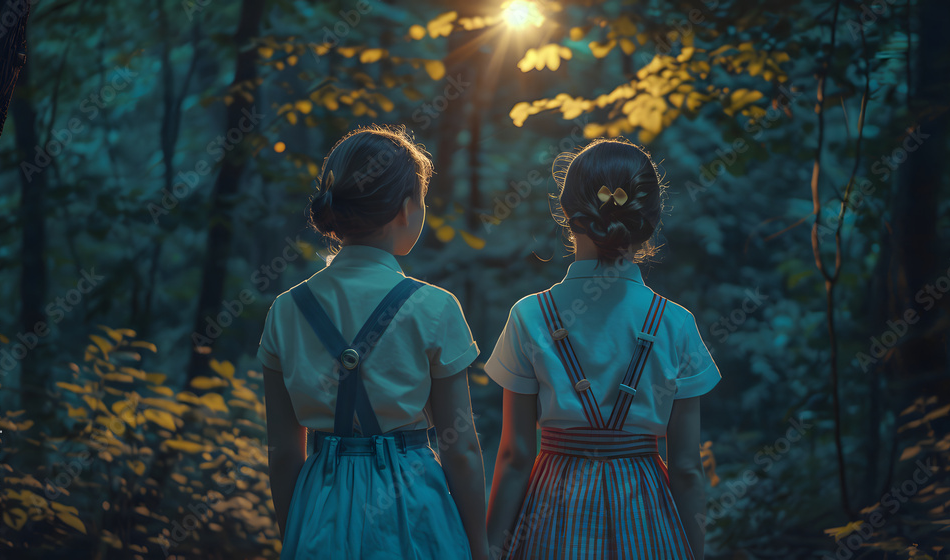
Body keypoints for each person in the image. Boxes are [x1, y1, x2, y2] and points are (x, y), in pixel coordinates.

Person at [258, 125, 488, 559]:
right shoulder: (435, 307)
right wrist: (480, 547)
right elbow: (460, 448)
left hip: (320, 505)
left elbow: (284, 452)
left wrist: (298, 534)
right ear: (405, 209)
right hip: (413, 506)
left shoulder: (285, 310)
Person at [485, 138, 720, 559]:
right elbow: (686, 468)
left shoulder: (530, 315)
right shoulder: (676, 323)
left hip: (553, 510)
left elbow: (515, 456)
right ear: (650, 219)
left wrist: (489, 547)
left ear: (567, 213)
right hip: (645, 510)